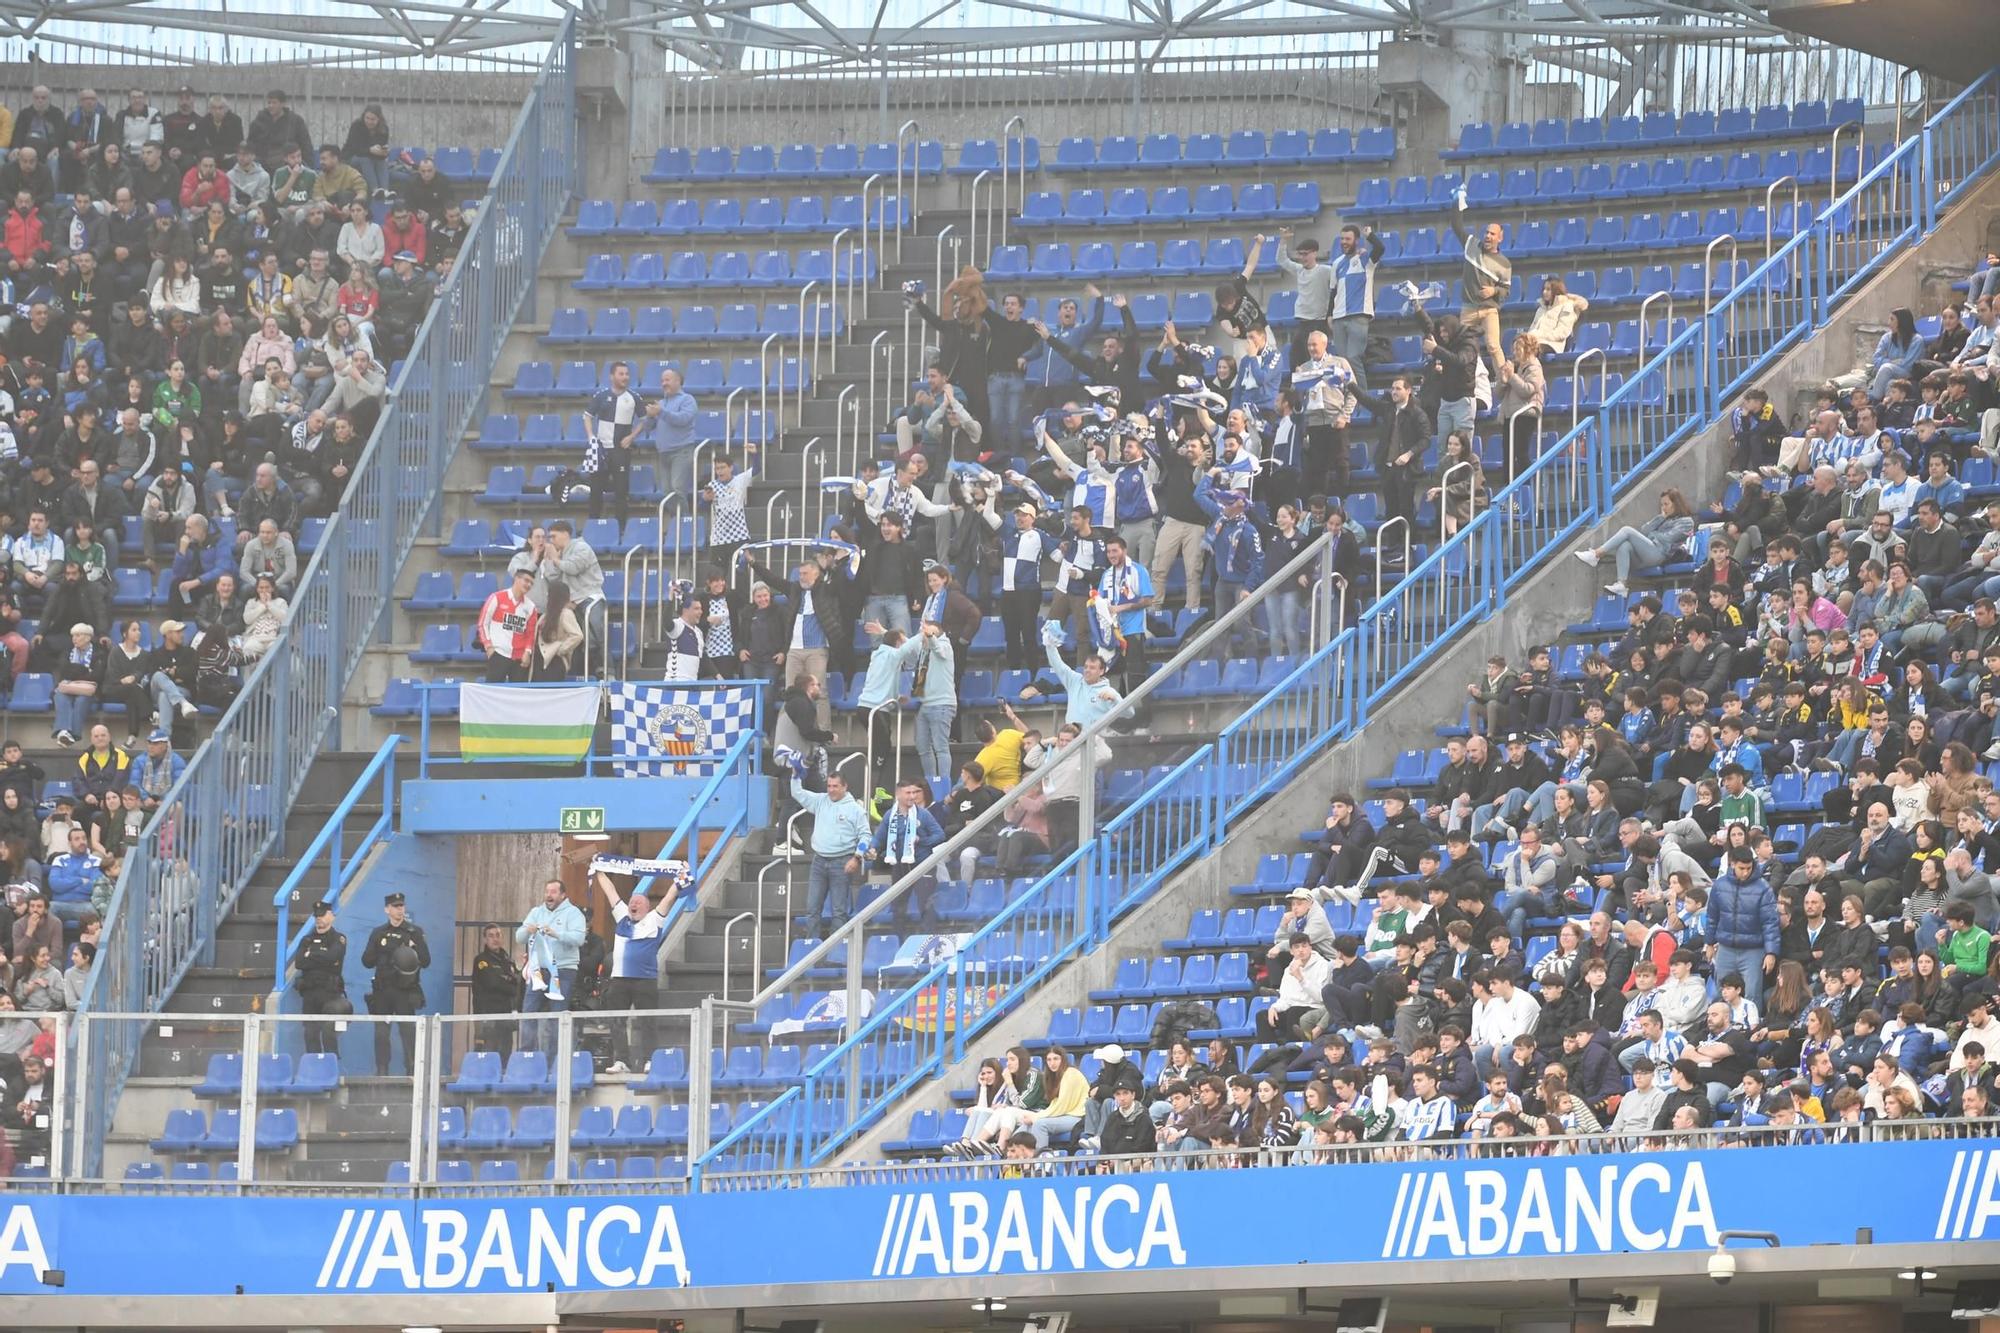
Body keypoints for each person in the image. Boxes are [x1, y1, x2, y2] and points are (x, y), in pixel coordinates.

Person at [596, 866, 679, 1073]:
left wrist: (680, 880)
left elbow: (669, 898)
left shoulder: (655, 919)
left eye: (638, 902)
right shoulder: (622, 918)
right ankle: (621, 1060)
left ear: (647, 907)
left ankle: (650, 1059)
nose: (633, 904)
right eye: (631, 901)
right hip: (620, 979)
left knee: (647, 1021)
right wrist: (599, 871)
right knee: (616, 1020)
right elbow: (611, 892)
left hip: (645, 980)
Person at [359, 890, 428, 1076]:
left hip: (405, 991)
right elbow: (366, 961)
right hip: (383, 991)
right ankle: (382, 1070)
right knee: (381, 1033)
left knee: (408, 1032)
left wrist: (414, 948)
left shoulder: (414, 932)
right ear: (387, 909)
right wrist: (383, 949)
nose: (399, 910)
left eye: (401, 906)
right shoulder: (378, 933)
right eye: (395, 907)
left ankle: (412, 1069)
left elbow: (426, 961)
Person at [791, 770, 871, 925]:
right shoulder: (820, 801)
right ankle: (813, 945)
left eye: (835, 786)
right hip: (819, 861)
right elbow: (797, 792)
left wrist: (857, 857)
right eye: (829, 786)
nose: (831, 790)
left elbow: (866, 836)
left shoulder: (856, 809)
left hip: (842, 862)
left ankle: (837, 948)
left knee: (839, 911)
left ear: (844, 787)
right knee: (812, 908)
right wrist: (795, 775)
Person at [515, 878, 586, 1055]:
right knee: (528, 1011)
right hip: (539, 970)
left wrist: (556, 934)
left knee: (557, 1016)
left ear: (563, 895)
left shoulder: (574, 913)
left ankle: (556, 1059)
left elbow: (578, 939)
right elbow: (519, 937)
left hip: (562, 969)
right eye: (547, 892)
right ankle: (527, 1054)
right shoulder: (536, 912)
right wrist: (527, 931)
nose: (549, 895)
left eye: (553, 892)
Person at [868, 779, 945, 931]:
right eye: (908, 793)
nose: (912, 796)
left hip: (923, 864)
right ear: (898, 795)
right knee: (898, 906)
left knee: (925, 904)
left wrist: (921, 841)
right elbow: (879, 837)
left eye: (914, 792)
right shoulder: (890, 815)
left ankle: (927, 941)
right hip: (900, 866)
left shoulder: (923, 815)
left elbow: (940, 835)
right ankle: (898, 941)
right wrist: (872, 848)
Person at [293, 898, 348, 1058]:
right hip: (310, 992)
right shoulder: (307, 939)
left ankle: (331, 1068)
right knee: (310, 1034)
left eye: (323, 915)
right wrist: (321, 957)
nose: (319, 918)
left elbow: (333, 957)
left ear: (331, 915)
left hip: (330, 993)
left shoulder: (338, 938)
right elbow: (300, 962)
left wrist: (312, 955)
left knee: (328, 1033)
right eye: (317, 915)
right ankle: (313, 1069)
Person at [476, 566, 539, 683]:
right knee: (492, 692)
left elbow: (530, 633)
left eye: (531, 583)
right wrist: (489, 647)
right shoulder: (496, 598)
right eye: (526, 580)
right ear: (516, 578)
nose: (528, 585)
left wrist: (528, 652)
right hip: (498, 653)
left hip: (520, 658)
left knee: (518, 696)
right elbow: (482, 624)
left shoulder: (531, 607)